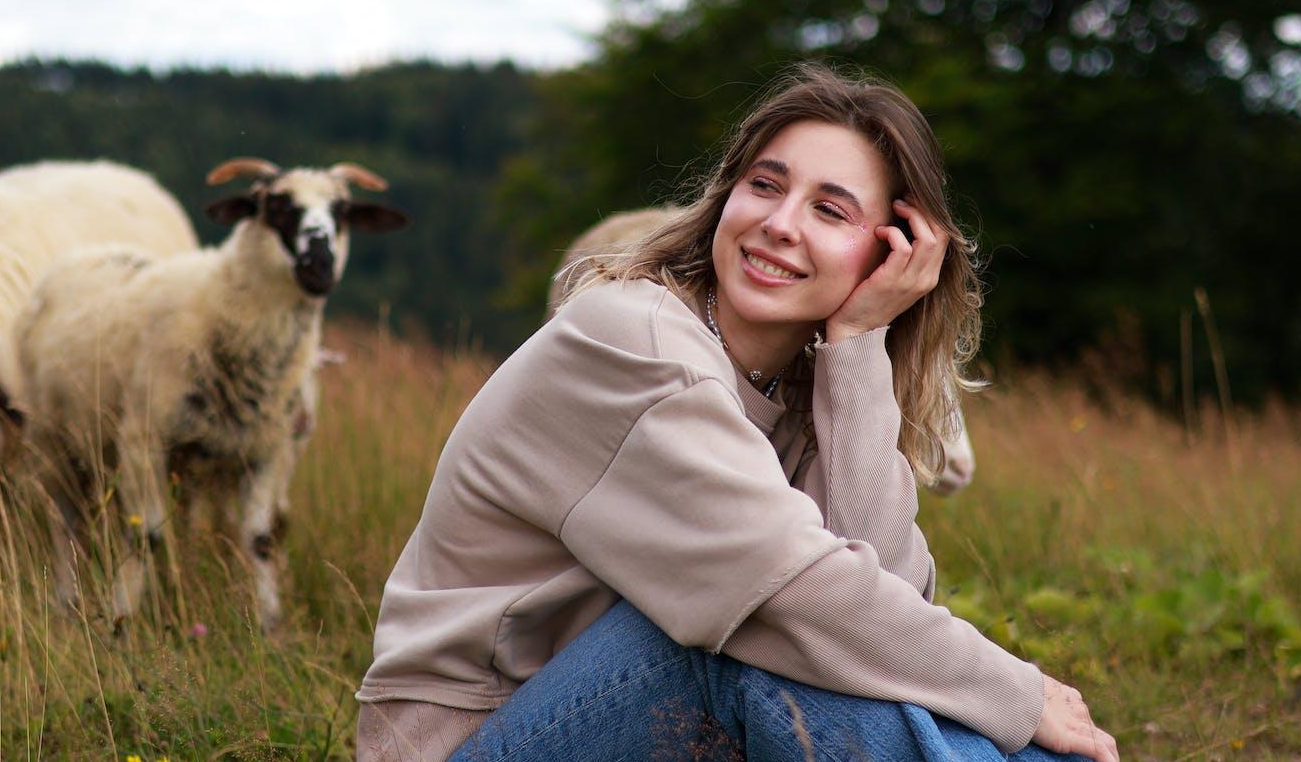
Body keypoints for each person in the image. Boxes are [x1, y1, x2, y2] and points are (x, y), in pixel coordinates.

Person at [355, 64, 1118, 762]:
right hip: (472, 739)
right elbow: (798, 596)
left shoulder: (798, 385)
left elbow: (885, 595)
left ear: (889, 253)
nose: (781, 223)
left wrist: (855, 348)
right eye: (765, 185)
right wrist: (1017, 694)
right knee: (738, 629)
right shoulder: (631, 340)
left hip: (610, 723)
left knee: (806, 635)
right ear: (724, 197)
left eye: (829, 209)